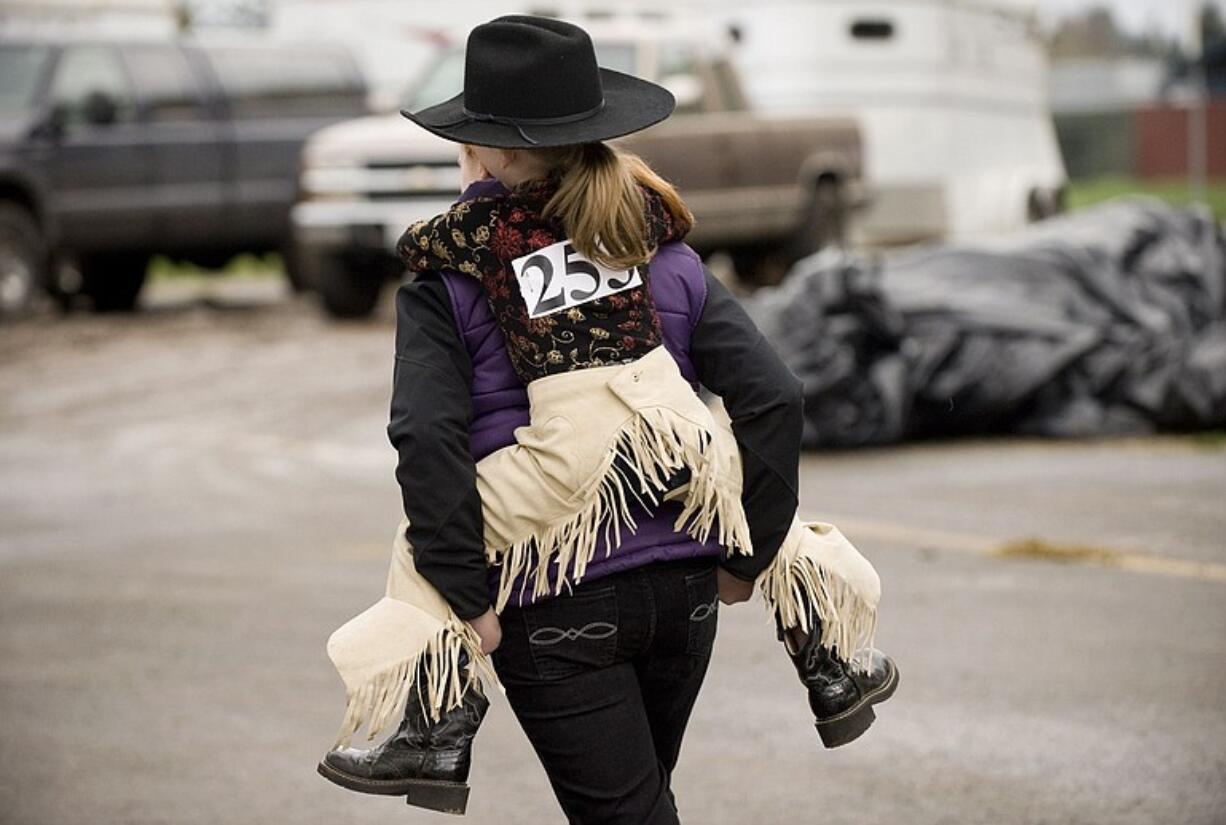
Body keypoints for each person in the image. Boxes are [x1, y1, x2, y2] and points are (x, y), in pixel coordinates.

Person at [318, 15, 897, 822]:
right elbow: (774, 399)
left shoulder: (446, 278)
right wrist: (749, 556)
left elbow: (427, 440)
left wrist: (464, 598)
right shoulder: (662, 251)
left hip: (552, 602)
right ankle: (829, 646)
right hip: (687, 592)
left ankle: (431, 721)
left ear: (493, 150)